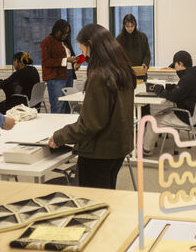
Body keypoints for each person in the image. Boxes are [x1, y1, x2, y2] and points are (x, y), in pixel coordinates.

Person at [48, 23, 136, 189]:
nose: (84, 57)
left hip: (98, 153)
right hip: (117, 149)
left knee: (94, 206)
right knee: (107, 198)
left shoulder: (100, 76)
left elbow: (90, 124)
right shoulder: (122, 70)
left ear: (91, 44)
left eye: (83, 51)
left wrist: (59, 136)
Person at [143, 50, 196, 156]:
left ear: (180, 63)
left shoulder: (187, 79)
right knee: (160, 115)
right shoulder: (194, 76)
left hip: (187, 117)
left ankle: (146, 150)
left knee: (153, 120)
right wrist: (166, 86)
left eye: (175, 65)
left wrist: (158, 88)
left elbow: (173, 96)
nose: (175, 68)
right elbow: (180, 90)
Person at [41, 19, 79, 113]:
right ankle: (56, 127)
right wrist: (66, 60)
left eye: (67, 33)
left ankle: (65, 127)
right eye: (64, 33)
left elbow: (68, 59)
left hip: (68, 74)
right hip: (56, 78)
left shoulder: (65, 41)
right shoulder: (47, 41)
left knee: (67, 106)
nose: (66, 35)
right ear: (57, 30)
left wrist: (75, 63)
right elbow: (46, 62)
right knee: (58, 106)